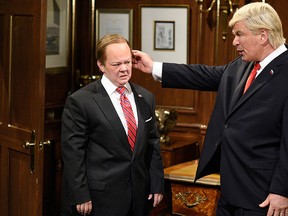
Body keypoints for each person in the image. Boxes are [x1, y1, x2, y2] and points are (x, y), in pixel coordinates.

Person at [132, 2, 288, 216]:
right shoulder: (243, 65)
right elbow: (203, 75)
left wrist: (282, 191)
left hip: (264, 197)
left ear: (263, 35)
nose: (234, 42)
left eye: (239, 34)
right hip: (230, 190)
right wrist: (154, 67)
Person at [61, 34, 164, 216]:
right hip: (100, 199)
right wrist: (80, 194)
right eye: (116, 64)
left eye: (127, 62)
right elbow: (73, 153)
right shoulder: (81, 101)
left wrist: (157, 183)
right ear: (101, 65)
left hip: (139, 197)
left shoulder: (146, 97)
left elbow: (153, 143)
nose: (124, 69)